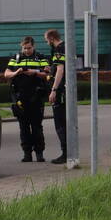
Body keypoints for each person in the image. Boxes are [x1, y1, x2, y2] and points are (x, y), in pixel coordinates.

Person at [3, 36, 50, 162]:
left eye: (29, 48)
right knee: (23, 127)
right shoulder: (16, 58)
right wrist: (16, 72)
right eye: (24, 48)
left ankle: (39, 153)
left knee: (37, 127)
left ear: (33, 46)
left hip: (36, 96)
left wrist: (33, 72)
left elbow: (47, 73)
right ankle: (27, 154)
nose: (27, 50)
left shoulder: (40, 57)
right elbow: (6, 74)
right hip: (20, 97)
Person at [44, 28, 67, 164]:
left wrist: (54, 89)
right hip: (65, 88)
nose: (47, 42)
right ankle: (68, 152)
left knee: (60, 123)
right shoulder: (66, 47)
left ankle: (65, 153)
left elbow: (60, 70)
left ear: (52, 38)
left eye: (47, 40)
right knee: (63, 121)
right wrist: (50, 69)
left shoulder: (59, 49)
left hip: (60, 90)